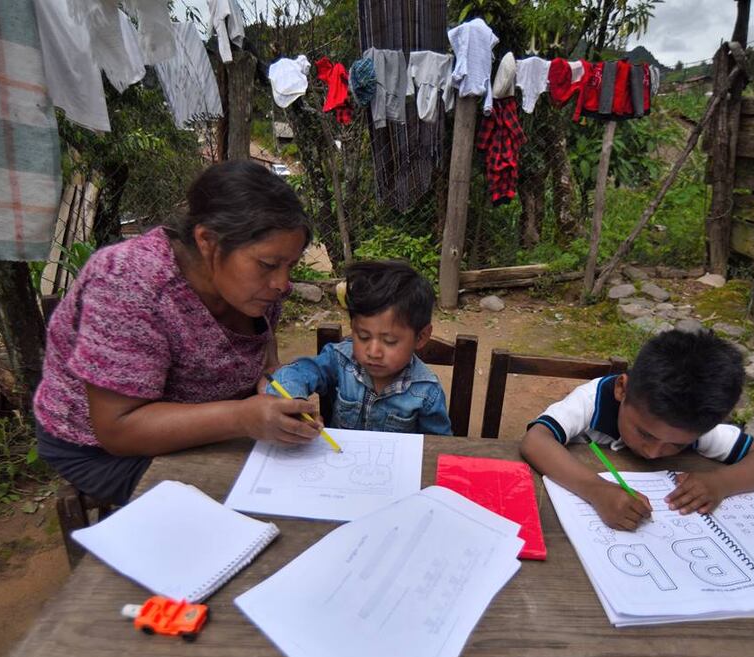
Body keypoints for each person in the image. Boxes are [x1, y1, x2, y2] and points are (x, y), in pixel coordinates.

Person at [33, 160, 324, 505]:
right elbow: (117, 429)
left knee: (287, 487)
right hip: (102, 448)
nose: (282, 284)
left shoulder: (257, 290)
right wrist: (242, 416)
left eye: (289, 265)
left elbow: (263, 354)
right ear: (208, 241)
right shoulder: (127, 283)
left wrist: (272, 380)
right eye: (268, 265)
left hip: (215, 424)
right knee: (246, 503)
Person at [520, 329, 754, 531]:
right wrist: (596, 490)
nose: (653, 453)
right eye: (645, 434)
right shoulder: (592, 401)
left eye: (675, 446)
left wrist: (721, 483)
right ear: (622, 389)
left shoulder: (690, 422)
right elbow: (536, 440)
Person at [268, 260, 452, 435]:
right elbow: (292, 374)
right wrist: (295, 402)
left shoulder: (426, 392)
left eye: (389, 341)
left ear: (420, 337)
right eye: (363, 336)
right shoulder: (339, 360)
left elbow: (437, 447)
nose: (373, 352)